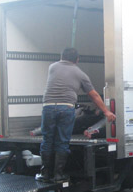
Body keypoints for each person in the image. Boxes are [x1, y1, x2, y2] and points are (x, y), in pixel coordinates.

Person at [37, 47, 116, 184]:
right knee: (62, 141)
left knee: (47, 140)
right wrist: (106, 111)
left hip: (48, 107)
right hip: (66, 108)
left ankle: (45, 174)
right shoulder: (80, 74)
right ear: (77, 60)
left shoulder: (52, 67)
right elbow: (94, 95)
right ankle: (58, 175)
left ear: (61, 57)